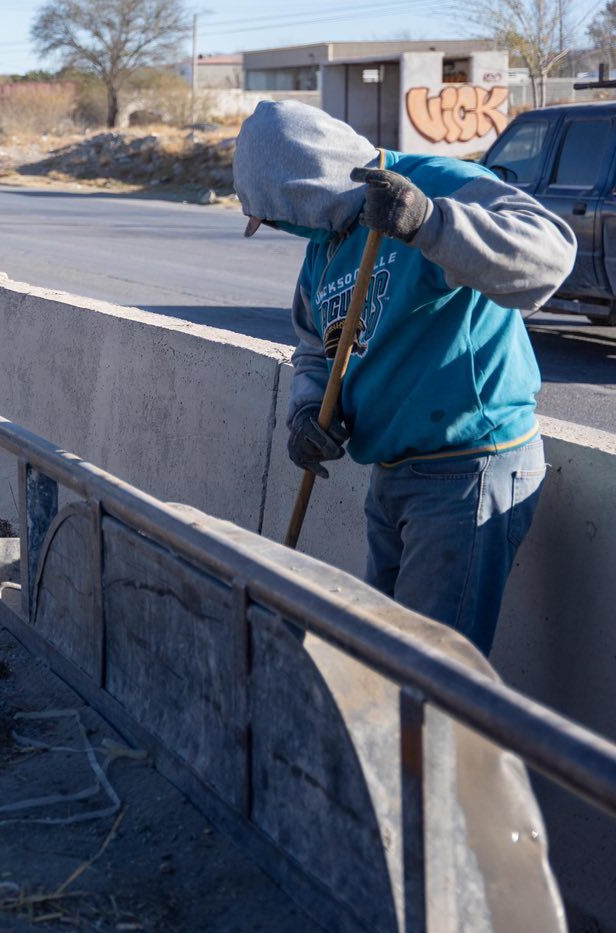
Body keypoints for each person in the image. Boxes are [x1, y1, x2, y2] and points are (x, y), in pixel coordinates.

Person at [234, 100, 575, 653]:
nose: (286, 230)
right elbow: (315, 348)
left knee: (430, 680)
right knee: (384, 663)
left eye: (279, 215)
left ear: (308, 185)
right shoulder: (329, 239)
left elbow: (550, 255)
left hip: (467, 470)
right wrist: (307, 410)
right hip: (392, 477)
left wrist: (428, 223)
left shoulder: (437, 183)